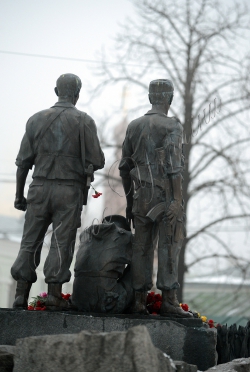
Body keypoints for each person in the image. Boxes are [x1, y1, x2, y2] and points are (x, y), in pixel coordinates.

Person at [11, 73, 105, 310]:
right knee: (61, 243)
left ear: (56, 91)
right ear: (77, 93)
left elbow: (23, 163)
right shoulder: (84, 121)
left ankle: (20, 295)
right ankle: (53, 295)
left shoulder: (35, 120)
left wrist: (18, 195)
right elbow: (98, 159)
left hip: (39, 188)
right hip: (69, 191)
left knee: (29, 241)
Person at [119, 79, 192, 317]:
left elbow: (124, 167)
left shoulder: (134, 125)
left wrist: (130, 203)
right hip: (165, 195)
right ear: (169, 99)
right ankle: (168, 300)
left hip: (141, 196)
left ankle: (139, 301)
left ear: (151, 98)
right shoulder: (172, 126)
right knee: (170, 244)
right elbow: (173, 166)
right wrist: (176, 201)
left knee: (141, 247)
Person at [71, 215, 133, 313]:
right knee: (139, 264)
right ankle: (139, 305)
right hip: (108, 304)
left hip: (78, 302)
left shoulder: (87, 236)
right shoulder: (123, 236)